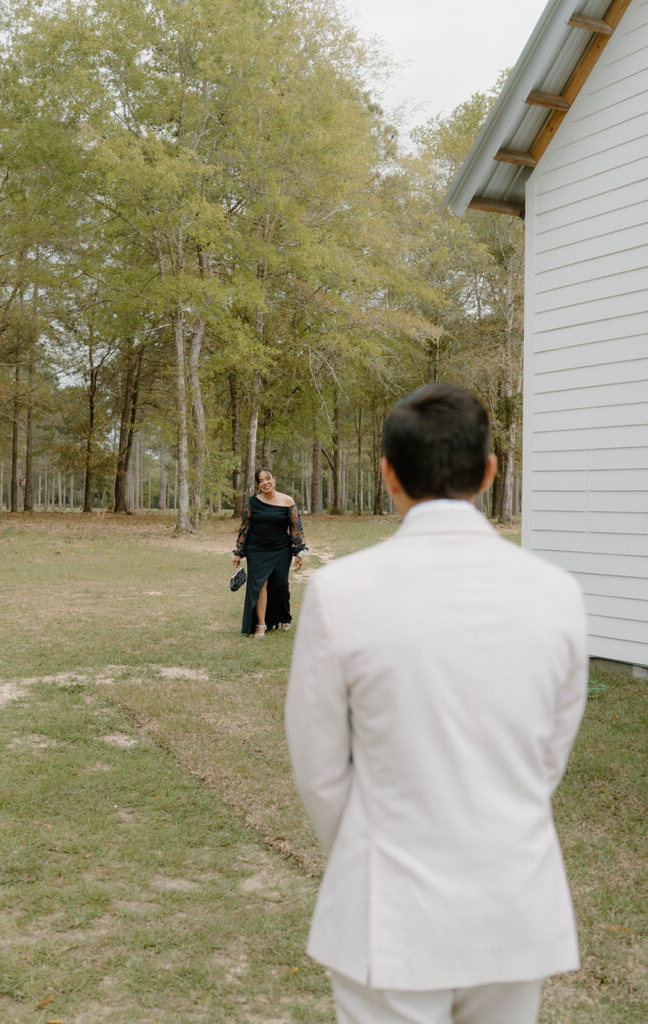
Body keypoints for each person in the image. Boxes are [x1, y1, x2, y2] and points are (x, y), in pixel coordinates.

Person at [285, 384, 588, 1024]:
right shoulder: (556, 593)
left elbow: (318, 766)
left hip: (387, 907)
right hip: (514, 900)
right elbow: (548, 755)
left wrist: (367, 852)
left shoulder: (342, 593)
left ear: (389, 474)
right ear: (489, 471)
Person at [232, 468, 307, 637]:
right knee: (260, 585)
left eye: (267, 479)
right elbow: (245, 527)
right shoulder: (253, 502)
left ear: (274, 479)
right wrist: (238, 551)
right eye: (261, 481)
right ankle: (260, 625)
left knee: (280, 583)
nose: (265, 483)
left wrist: (299, 552)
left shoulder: (288, 501)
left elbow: (296, 528)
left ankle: (284, 616)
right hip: (256, 549)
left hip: (281, 549)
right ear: (258, 485)